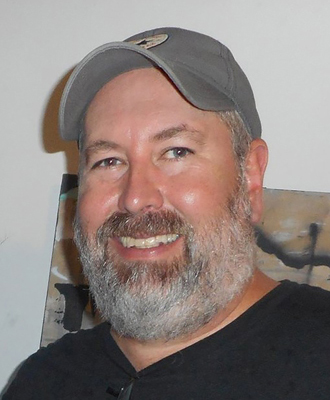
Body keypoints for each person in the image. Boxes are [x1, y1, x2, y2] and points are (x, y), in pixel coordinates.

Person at [4, 27, 330, 399]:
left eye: (176, 152)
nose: (135, 197)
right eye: (108, 160)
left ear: (250, 177)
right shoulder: (42, 382)